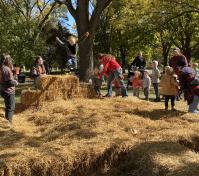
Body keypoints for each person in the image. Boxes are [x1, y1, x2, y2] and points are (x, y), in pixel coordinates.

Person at [0, 54, 18, 127]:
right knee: (10, 108)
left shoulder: (2, 67)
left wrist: (14, 75)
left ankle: (7, 122)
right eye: (10, 59)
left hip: (3, 89)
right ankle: (8, 124)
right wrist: (15, 82)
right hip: (8, 90)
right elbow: (9, 81)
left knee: (8, 107)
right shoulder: (6, 68)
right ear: (7, 60)